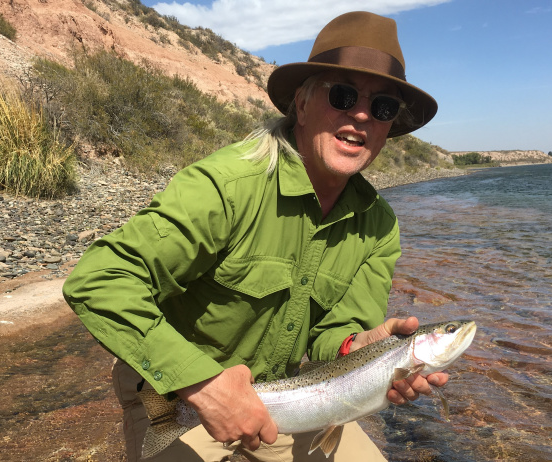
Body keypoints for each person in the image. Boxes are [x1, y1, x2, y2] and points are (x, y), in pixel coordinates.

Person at [63, 10, 444, 462]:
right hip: (178, 396)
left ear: (387, 128)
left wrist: (354, 348)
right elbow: (99, 279)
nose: (361, 115)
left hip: (286, 398)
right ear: (301, 104)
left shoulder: (379, 226)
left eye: (382, 107)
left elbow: (332, 335)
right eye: (343, 96)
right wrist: (204, 386)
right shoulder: (227, 186)